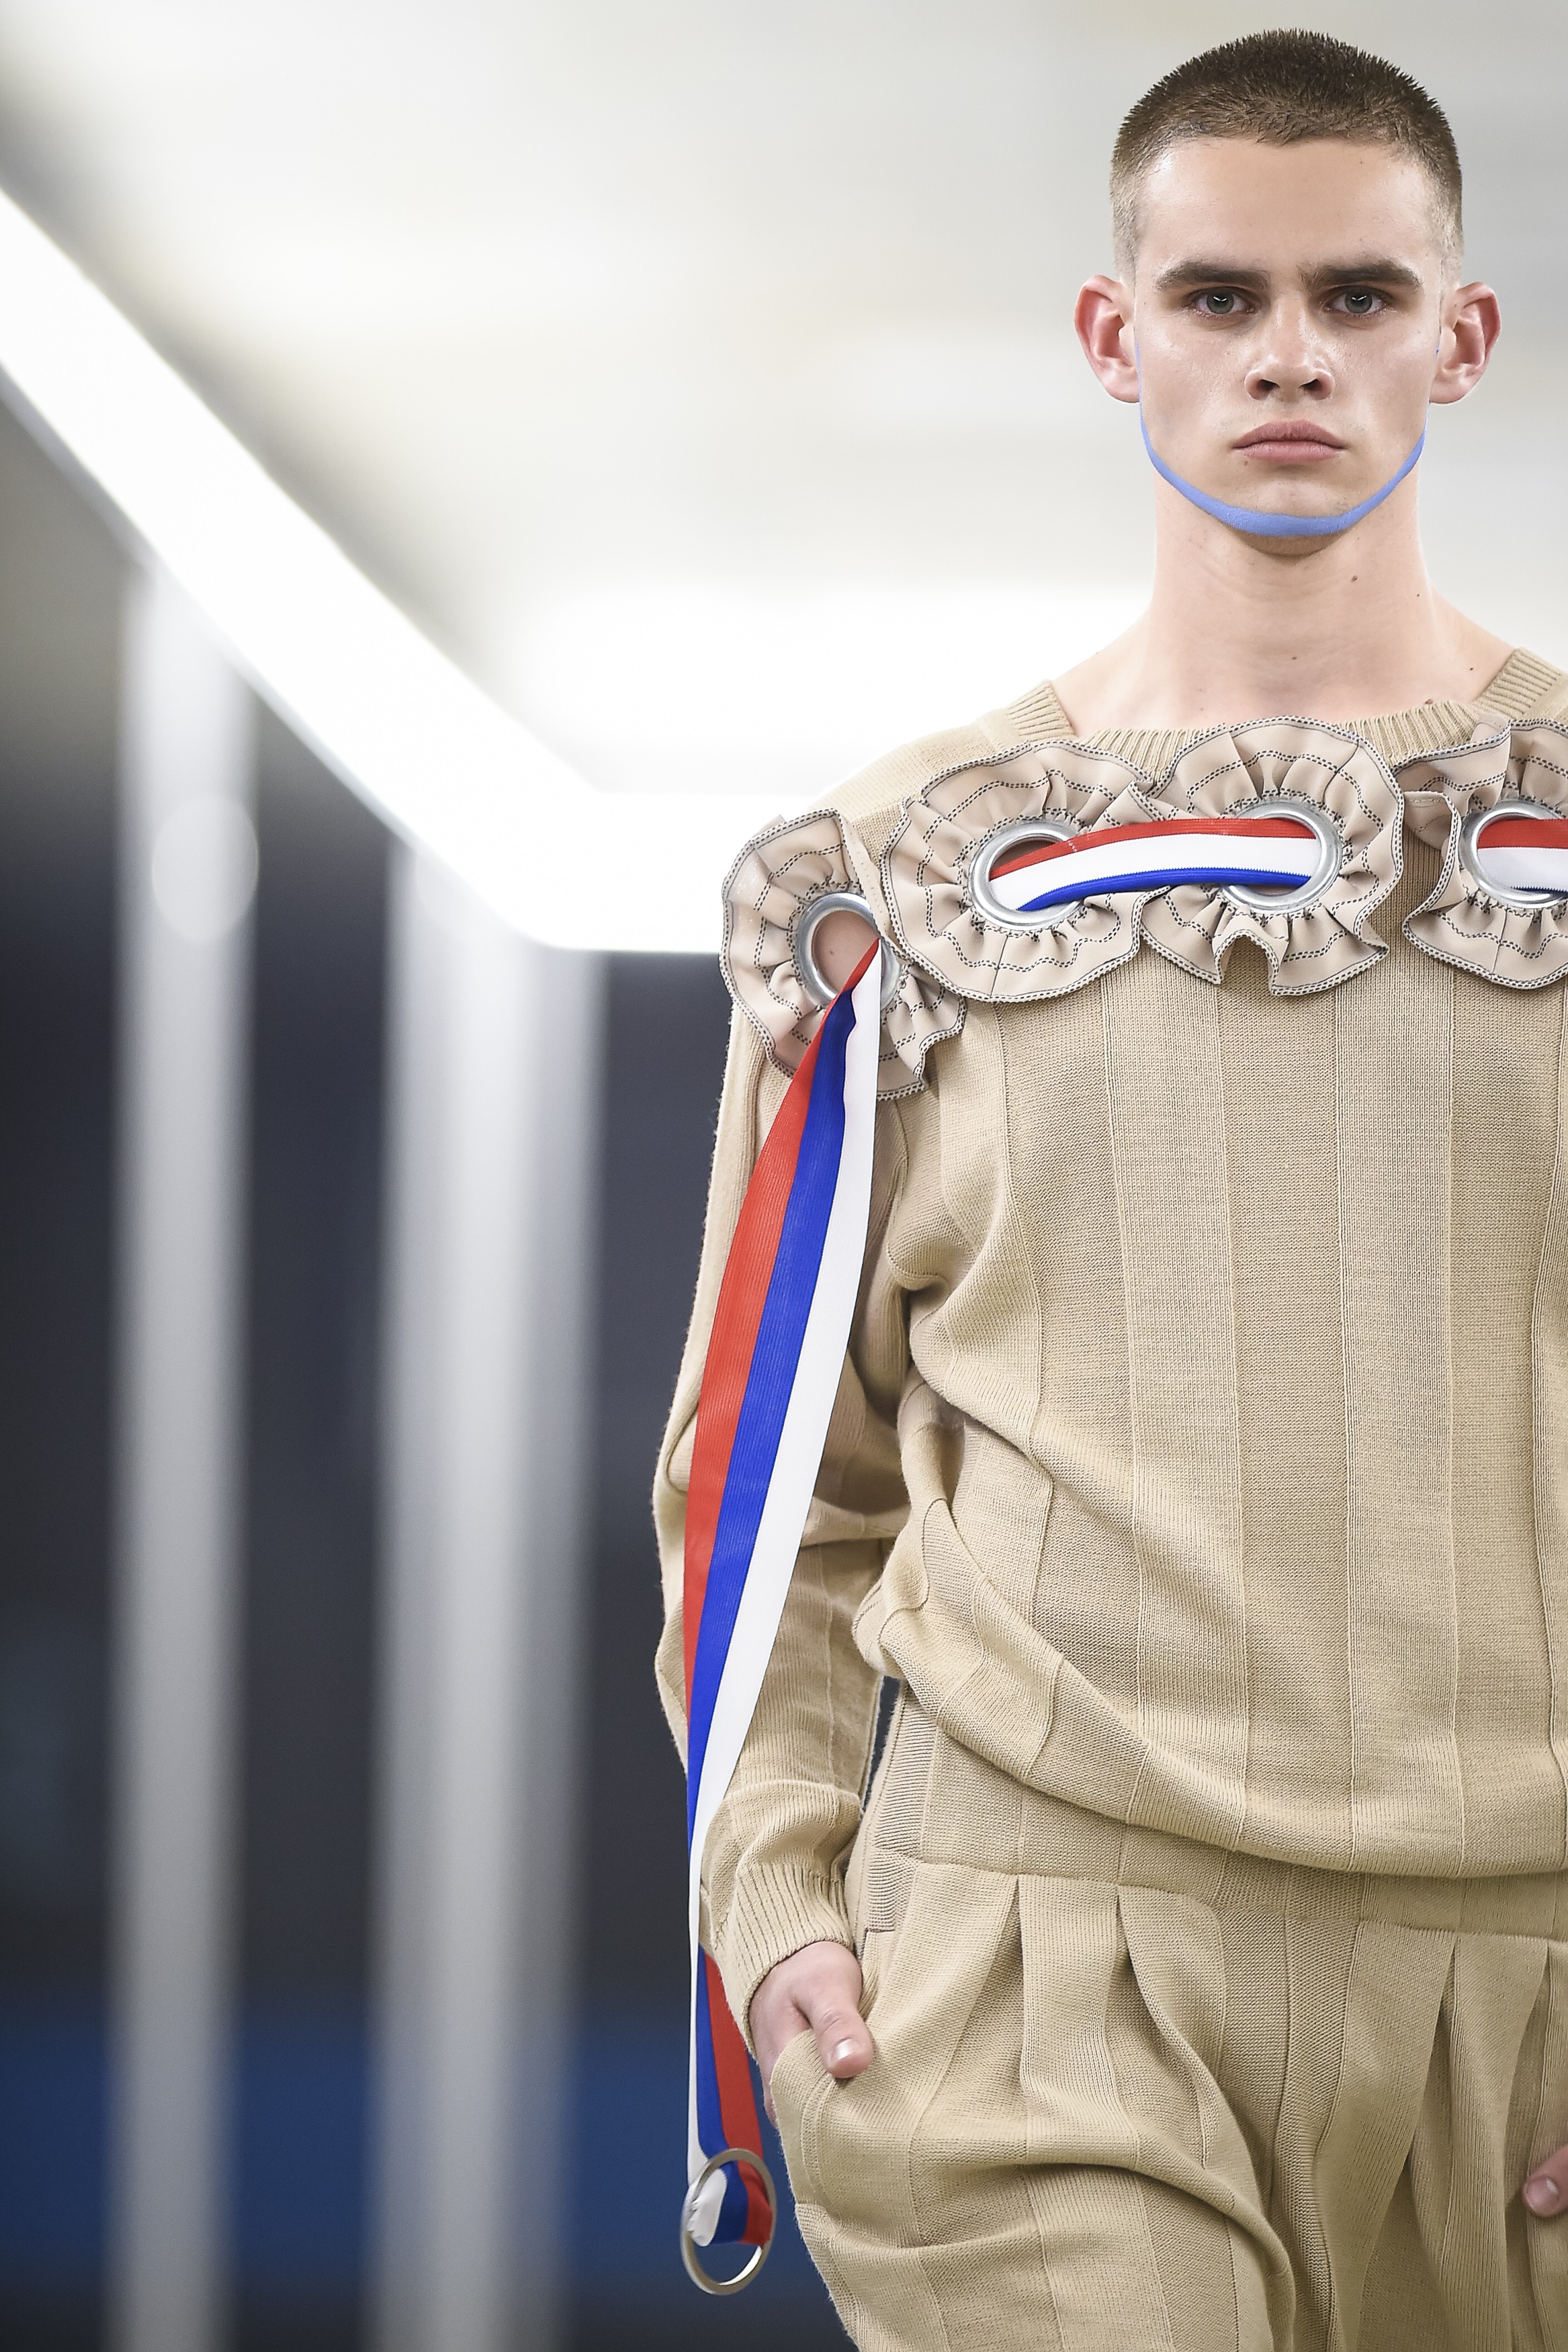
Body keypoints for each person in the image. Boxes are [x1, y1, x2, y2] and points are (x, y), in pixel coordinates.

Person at [656, 28, 1568, 2348]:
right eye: (1221, 295)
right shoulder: (898, 880)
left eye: (1359, 296)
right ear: (1113, 332)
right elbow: (772, 1486)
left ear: (1462, 336)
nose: (1290, 354)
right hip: (1028, 1986)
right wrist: (775, 1899)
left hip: (1538, 2006)